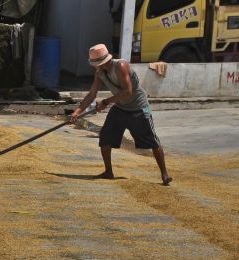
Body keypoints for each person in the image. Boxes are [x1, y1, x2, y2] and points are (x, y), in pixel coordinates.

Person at [72, 43, 172, 186]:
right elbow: (92, 94)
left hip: (139, 108)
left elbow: (128, 92)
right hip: (120, 107)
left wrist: (106, 102)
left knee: (152, 141)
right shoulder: (99, 73)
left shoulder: (121, 66)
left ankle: (164, 174)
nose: (96, 66)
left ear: (105, 61)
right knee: (106, 137)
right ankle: (108, 172)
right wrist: (77, 112)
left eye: (97, 63)